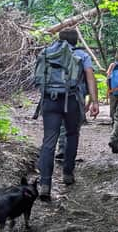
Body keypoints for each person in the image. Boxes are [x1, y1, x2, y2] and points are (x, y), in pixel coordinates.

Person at [37, 29, 99, 200]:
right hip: (71, 100)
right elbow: (90, 77)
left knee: (49, 140)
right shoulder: (81, 54)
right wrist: (94, 101)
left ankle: (45, 184)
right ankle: (67, 174)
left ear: (59, 39)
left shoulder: (47, 52)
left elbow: (38, 77)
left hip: (49, 99)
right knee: (72, 135)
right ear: (76, 40)